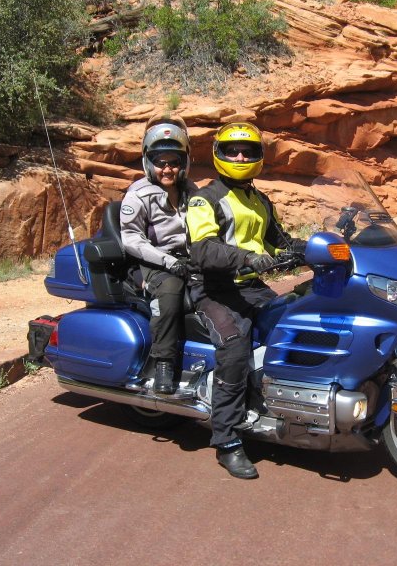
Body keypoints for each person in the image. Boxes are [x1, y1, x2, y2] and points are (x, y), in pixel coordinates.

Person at [186, 122, 306, 479]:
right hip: (212, 288)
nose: (240, 156)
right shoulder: (204, 199)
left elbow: (280, 242)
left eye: (249, 151)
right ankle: (226, 440)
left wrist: (321, 248)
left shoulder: (259, 199)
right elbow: (203, 249)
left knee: (290, 325)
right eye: (233, 150)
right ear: (218, 154)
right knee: (236, 347)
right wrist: (247, 258)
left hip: (250, 288)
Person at [120, 116, 197, 395]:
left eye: (174, 162)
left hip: (188, 259)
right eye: (160, 162)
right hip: (153, 262)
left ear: (184, 163)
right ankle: (163, 361)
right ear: (148, 162)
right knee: (171, 291)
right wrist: (168, 262)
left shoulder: (191, 191)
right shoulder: (139, 194)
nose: (167, 168)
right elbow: (130, 238)